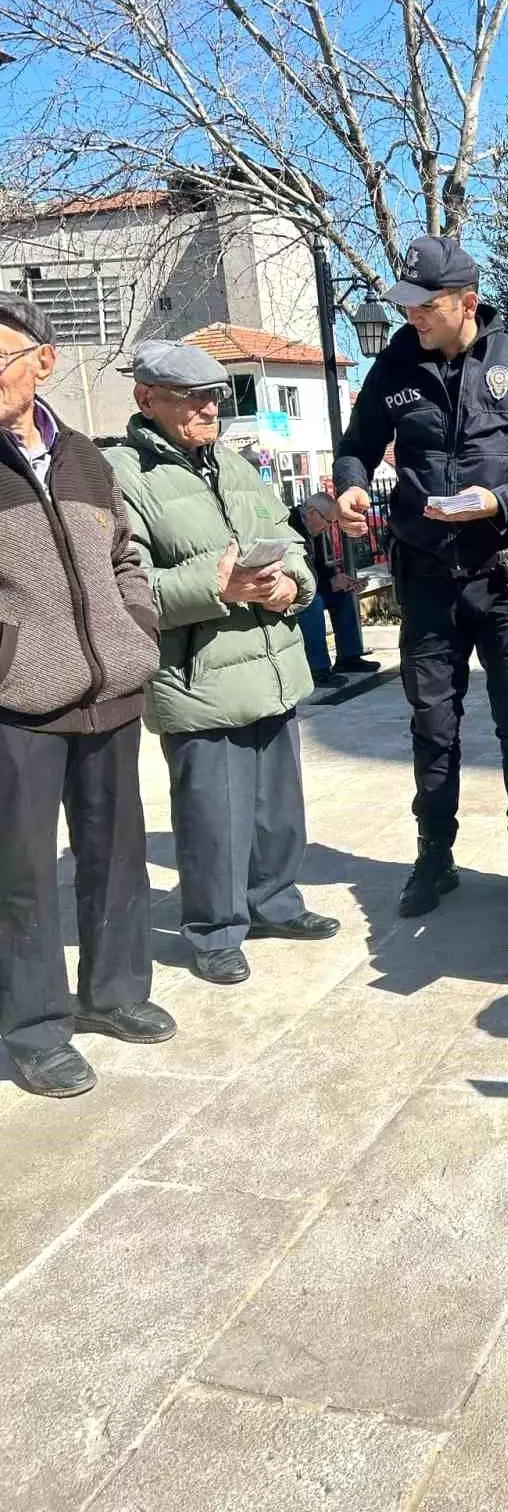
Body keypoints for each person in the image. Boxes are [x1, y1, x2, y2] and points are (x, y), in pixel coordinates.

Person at [333, 235, 508, 919]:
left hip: (506, 576)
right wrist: (351, 487)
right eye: (406, 304)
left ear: (466, 303)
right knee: (432, 725)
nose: (412, 315)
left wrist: (501, 501)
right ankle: (434, 856)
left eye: (424, 305)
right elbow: (355, 446)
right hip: (428, 580)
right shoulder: (395, 365)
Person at [107, 341, 340, 986]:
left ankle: (275, 902)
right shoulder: (120, 477)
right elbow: (125, 588)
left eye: (215, 395)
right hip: (198, 678)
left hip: (270, 667)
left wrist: (293, 584)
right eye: (192, 398)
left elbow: (289, 538)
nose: (209, 408)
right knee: (213, 816)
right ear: (146, 400)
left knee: (278, 810)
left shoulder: (235, 466)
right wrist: (216, 584)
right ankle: (214, 928)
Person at [0, 294, 174, 1097]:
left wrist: (134, 630)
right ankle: (34, 1028)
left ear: (43, 361)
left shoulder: (86, 460)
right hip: (18, 703)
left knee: (116, 850)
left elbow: (125, 558)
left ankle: (113, 993)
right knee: (22, 871)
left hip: (111, 688)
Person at [288, 491, 379, 686]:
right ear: (311, 512)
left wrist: (341, 580)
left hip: (312, 586)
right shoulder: (290, 527)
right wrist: (329, 583)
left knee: (343, 595)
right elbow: (296, 574)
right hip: (293, 591)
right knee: (313, 602)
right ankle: (318, 668)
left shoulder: (316, 531)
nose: (329, 527)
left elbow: (321, 567)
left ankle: (349, 657)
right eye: (328, 521)